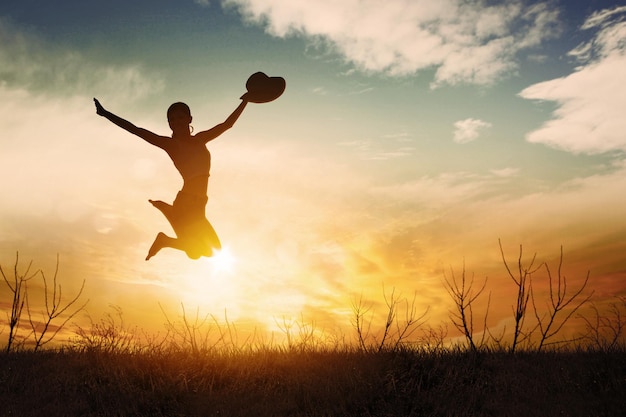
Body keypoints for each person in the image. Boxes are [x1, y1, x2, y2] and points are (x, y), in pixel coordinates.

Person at [94, 96, 249, 260]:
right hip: (187, 202)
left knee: (209, 249)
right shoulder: (172, 145)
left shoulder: (200, 139)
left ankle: (166, 227)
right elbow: (136, 130)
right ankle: (166, 232)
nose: (177, 122)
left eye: (181, 117)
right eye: (172, 119)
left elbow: (227, 125)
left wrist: (246, 100)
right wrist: (105, 113)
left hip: (199, 202)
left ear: (189, 119)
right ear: (169, 123)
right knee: (199, 251)